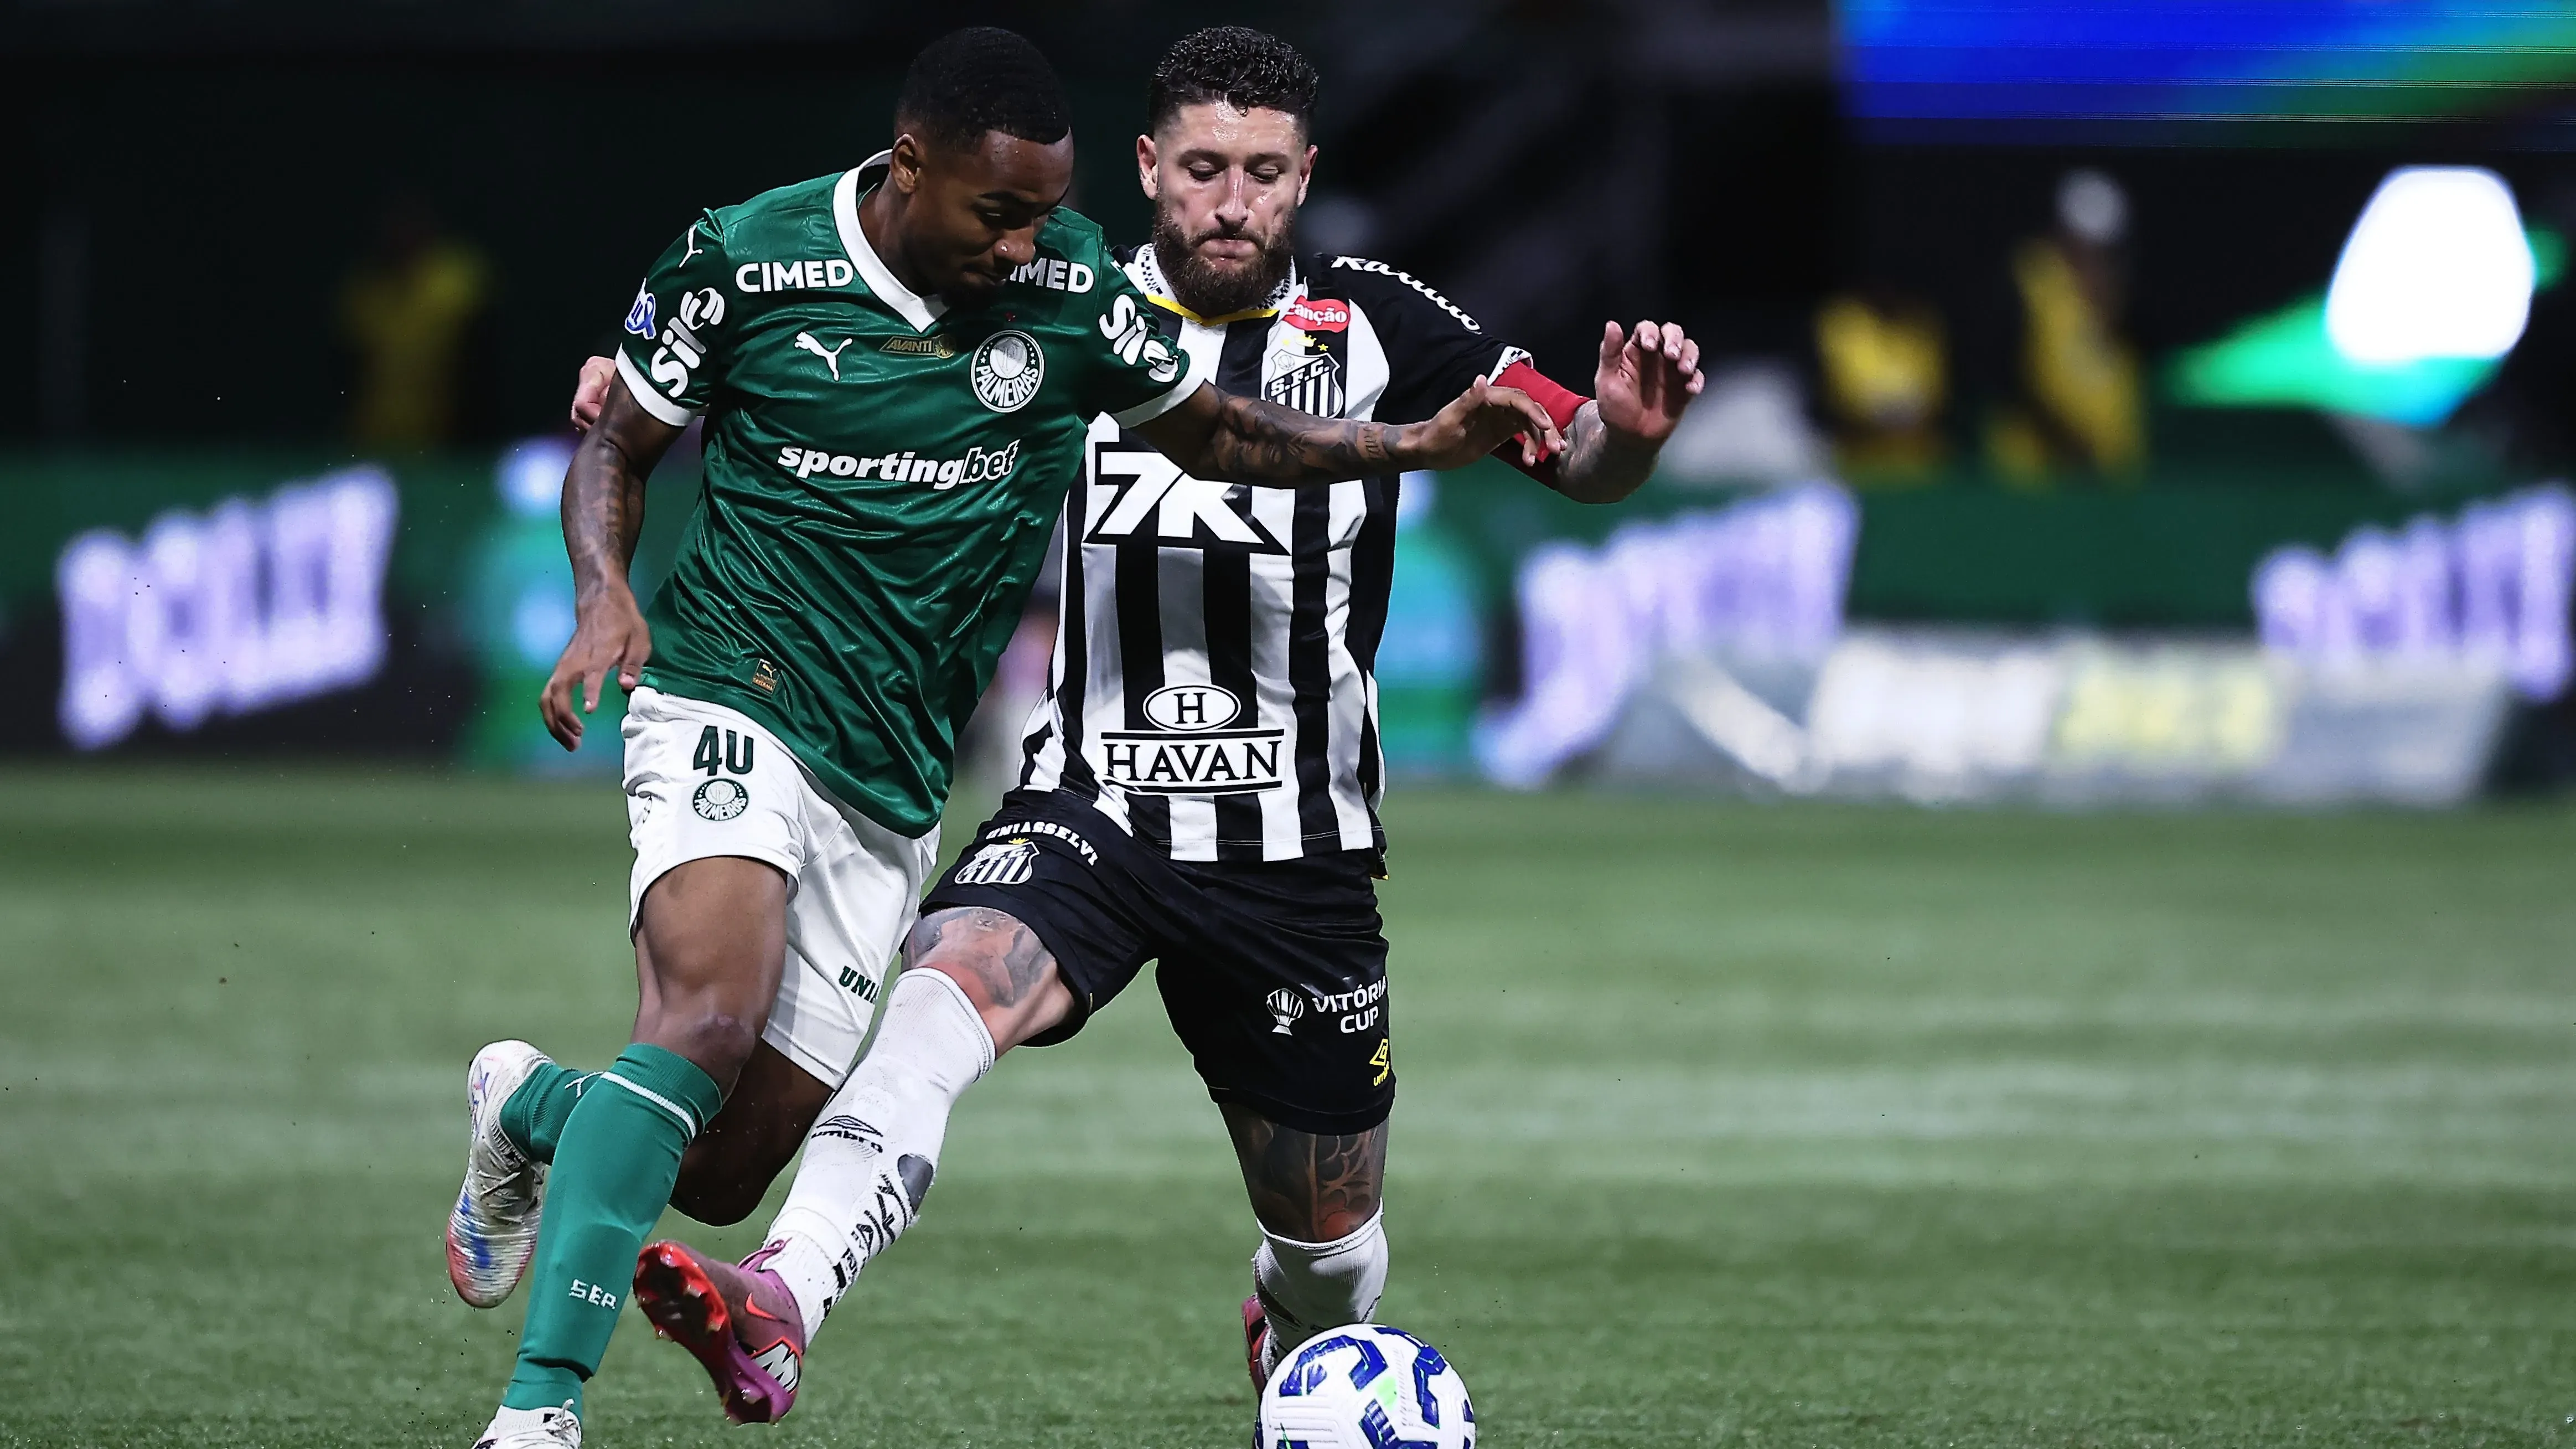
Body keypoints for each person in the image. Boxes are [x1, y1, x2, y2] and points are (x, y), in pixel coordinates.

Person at [565, 26, 1704, 1431]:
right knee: (942, 994)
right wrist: (641, 382)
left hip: (1298, 847)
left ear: (1304, 180)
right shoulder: (1054, 298)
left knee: (1330, 1244)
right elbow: (844, 339)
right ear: (1152, 166)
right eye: (1205, 170)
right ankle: (783, 1295)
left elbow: (1567, 451)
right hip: (1091, 803)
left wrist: (1626, 435)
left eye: (1264, 175)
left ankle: (1291, 1312)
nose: (1232, 203)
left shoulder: (1375, 323)